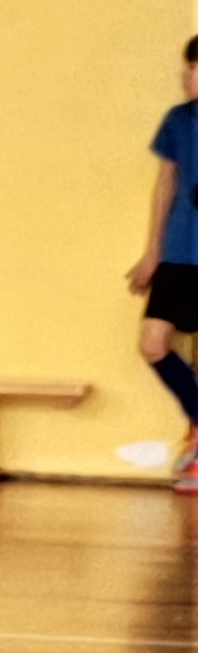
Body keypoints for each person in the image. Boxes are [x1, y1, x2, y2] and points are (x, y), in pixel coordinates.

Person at [125, 32, 198, 491]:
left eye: (194, 69)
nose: (186, 76)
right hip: (179, 251)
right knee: (153, 343)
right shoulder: (178, 120)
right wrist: (152, 252)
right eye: (187, 68)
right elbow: (166, 184)